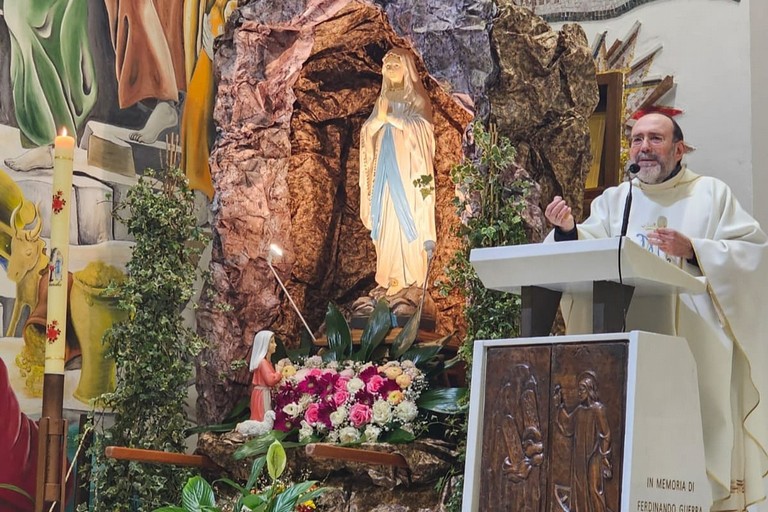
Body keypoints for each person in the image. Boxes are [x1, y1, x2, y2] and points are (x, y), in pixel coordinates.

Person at [544, 112, 768, 511]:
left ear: (679, 149)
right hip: (627, 344)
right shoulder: (617, 200)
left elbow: (752, 254)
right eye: (636, 140)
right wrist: (566, 230)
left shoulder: (711, 195)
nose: (643, 147)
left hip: (694, 344)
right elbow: (586, 247)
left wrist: (696, 250)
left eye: (655, 139)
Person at [358, 48, 436, 298]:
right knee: (385, 218)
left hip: (408, 174)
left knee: (409, 218)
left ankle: (411, 281)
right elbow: (367, 132)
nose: (391, 70)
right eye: (388, 66)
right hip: (383, 173)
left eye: (396, 65)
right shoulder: (381, 102)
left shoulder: (417, 101)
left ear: (406, 69)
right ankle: (389, 278)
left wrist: (392, 120)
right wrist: (379, 120)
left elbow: (423, 130)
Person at [553, 372, 613, 512]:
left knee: (594, 490)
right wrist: (560, 406)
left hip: (593, 457)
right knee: (579, 489)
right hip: (579, 458)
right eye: (578, 390)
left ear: (589, 390)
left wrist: (605, 459)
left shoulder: (598, 410)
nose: (579, 393)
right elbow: (567, 425)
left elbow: (605, 435)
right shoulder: (579, 411)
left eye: (582, 390)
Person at [235, 330, 282, 436]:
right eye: (272, 342)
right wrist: (279, 372)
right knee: (263, 418)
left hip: (263, 392)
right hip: (262, 395)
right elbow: (270, 380)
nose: (275, 345)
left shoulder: (266, 362)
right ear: (264, 344)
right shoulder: (263, 363)